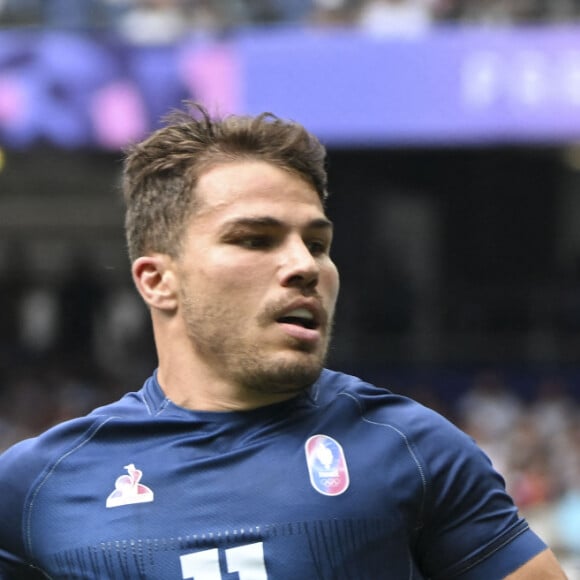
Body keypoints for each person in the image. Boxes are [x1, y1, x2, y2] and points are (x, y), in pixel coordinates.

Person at [0, 103, 567, 579]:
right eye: (255, 239)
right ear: (158, 280)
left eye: (317, 244)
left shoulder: (412, 450)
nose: (304, 265)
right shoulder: (34, 488)